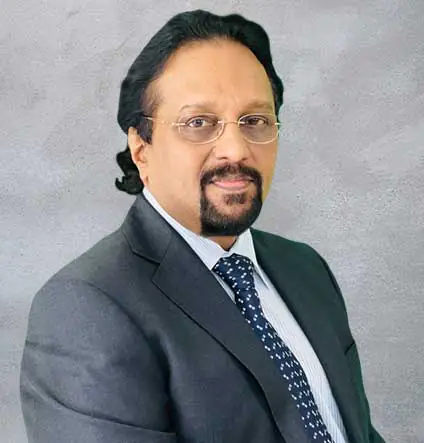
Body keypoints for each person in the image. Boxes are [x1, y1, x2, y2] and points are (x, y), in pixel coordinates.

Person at [19, 9, 386, 443]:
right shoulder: (85, 308)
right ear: (141, 148)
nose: (236, 149)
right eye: (198, 123)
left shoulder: (306, 269)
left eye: (255, 121)